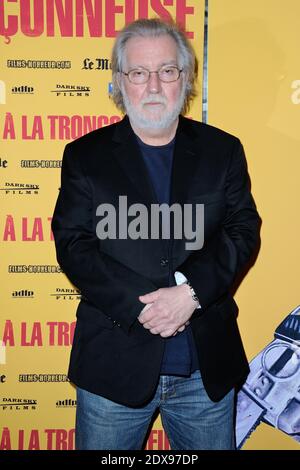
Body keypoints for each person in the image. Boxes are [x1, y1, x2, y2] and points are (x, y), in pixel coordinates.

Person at [51, 18, 260, 450]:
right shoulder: (84, 156)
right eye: (138, 73)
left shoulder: (223, 151)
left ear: (184, 79)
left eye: (166, 71)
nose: (152, 85)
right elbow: (74, 244)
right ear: (119, 82)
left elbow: (242, 230)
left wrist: (189, 293)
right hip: (113, 367)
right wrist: (142, 306)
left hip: (205, 371)